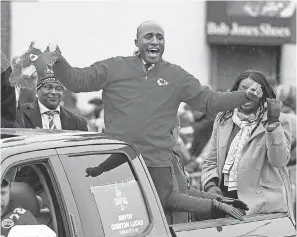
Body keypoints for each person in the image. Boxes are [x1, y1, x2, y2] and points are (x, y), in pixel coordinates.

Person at [32, 21, 263, 223]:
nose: (155, 41)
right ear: (137, 42)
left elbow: (209, 101)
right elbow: (77, 80)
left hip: (156, 161)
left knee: (164, 200)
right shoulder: (113, 67)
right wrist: (59, 61)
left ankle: (216, 205)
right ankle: (216, 204)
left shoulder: (176, 75)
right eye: (149, 36)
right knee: (120, 213)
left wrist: (244, 96)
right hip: (121, 159)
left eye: (160, 37)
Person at [201, 71, 294, 220]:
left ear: (263, 93)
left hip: (260, 207)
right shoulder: (224, 118)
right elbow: (211, 160)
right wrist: (210, 185)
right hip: (225, 202)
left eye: (255, 89)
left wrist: (273, 123)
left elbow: (279, 161)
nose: (249, 93)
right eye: (242, 88)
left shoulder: (279, 119)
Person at [19, 65, 88, 131]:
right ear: (37, 91)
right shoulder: (20, 115)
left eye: (59, 89)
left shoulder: (78, 123)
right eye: (48, 87)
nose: (54, 92)